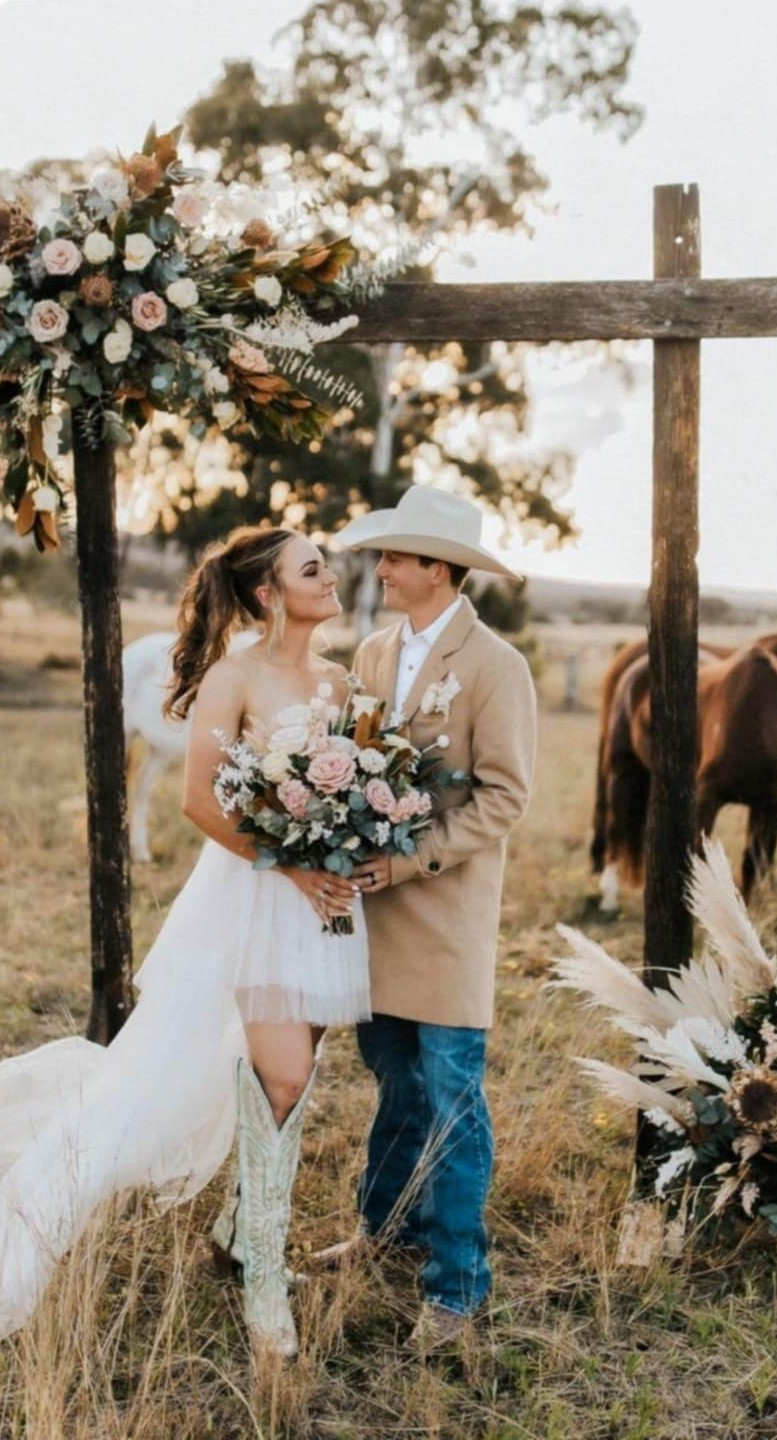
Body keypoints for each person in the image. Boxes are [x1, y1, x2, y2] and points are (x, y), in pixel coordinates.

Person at [0, 527, 367, 1359]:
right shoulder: (235, 676)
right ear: (269, 594)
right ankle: (263, 1279)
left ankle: (242, 1234)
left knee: (289, 1076)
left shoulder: (341, 682)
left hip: (321, 900)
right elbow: (200, 801)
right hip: (254, 891)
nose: (331, 577)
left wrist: (358, 835)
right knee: (258, 1074)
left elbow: (351, 787)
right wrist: (293, 865)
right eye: (313, 568)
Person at [323, 486, 537, 1348]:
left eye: (396, 556)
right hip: (375, 918)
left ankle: (455, 1290)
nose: (381, 569)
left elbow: (505, 797)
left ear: (439, 570)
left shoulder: (496, 666)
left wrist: (410, 860)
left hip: (445, 916)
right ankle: (384, 1231)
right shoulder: (373, 653)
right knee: (396, 1084)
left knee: (453, 1099)